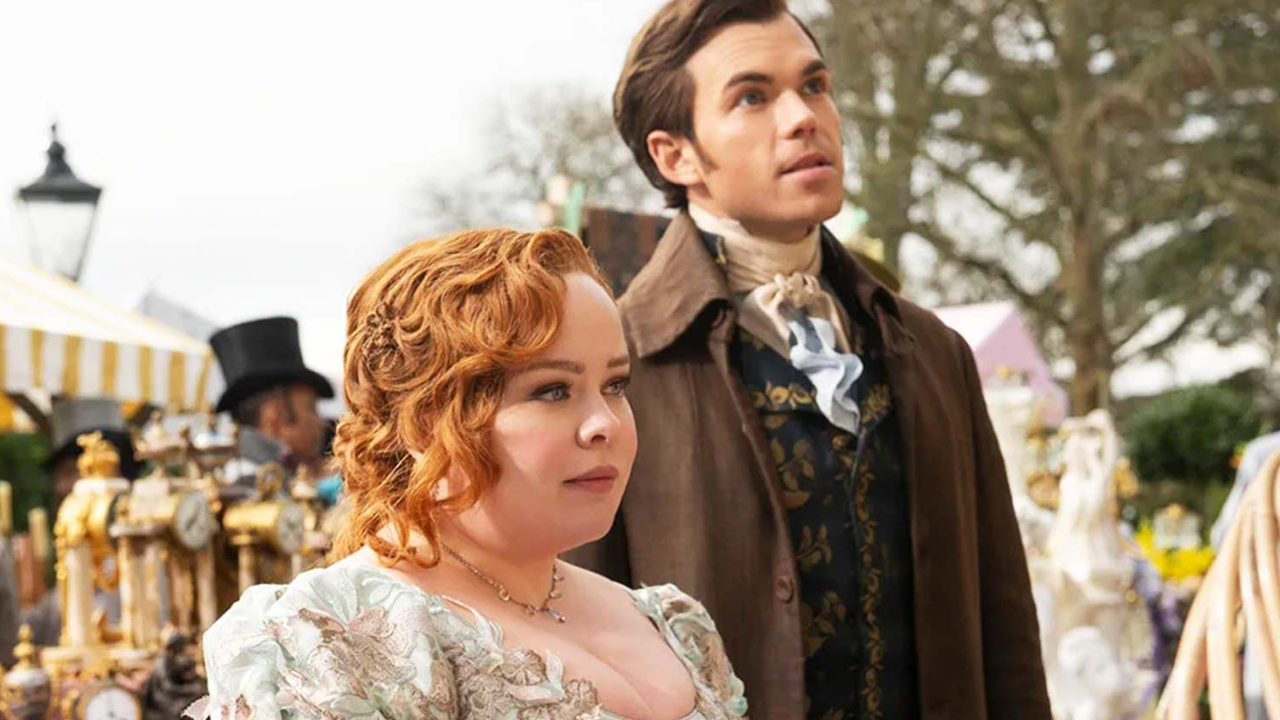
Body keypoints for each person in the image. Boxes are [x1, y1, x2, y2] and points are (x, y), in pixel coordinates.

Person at [567, 2, 1052, 719]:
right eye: (752, 97)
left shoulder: (933, 351)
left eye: (815, 86)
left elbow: (1004, 626)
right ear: (676, 155)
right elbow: (574, 650)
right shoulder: (616, 368)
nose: (803, 118)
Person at [192, 228, 747, 720]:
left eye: (615, 385)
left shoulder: (675, 623)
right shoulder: (327, 641)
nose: (604, 423)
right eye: (553, 390)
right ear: (426, 422)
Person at [22, 397, 142, 648]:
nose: (60, 487)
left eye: (71, 472)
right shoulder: (72, 559)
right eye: (59, 476)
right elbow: (23, 636)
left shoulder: (146, 554)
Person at [209, 316, 333, 485]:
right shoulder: (251, 483)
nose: (321, 423)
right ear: (275, 415)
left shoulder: (237, 476)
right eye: (312, 409)